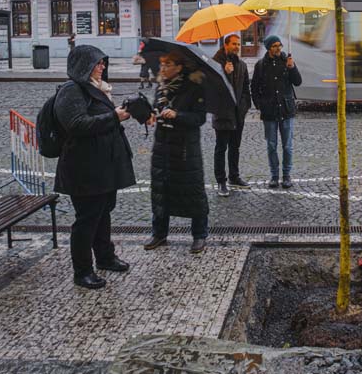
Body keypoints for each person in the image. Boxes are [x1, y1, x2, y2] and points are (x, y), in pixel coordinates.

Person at [53, 45, 136, 289]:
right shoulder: (72, 90)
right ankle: (82, 271)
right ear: (84, 66)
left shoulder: (97, 88)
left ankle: (105, 257)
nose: (103, 67)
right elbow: (76, 125)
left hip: (103, 165)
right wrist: (114, 117)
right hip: (84, 168)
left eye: (103, 63)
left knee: (103, 213)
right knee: (87, 219)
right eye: (98, 63)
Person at [144, 50, 210, 254]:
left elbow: (199, 119)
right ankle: (159, 233)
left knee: (193, 192)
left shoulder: (193, 87)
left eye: (168, 64)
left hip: (185, 150)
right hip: (162, 148)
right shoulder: (161, 87)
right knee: (161, 191)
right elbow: (157, 109)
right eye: (162, 64)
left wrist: (177, 115)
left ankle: (199, 235)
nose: (162, 68)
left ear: (179, 67)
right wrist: (152, 115)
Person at [251, 35, 302, 188]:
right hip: (269, 112)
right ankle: (274, 175)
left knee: (287, 145)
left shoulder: (287, 62)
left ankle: (286, 175)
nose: (278, 48)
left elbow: (298, 82)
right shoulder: (260, 65)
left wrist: (292, 68)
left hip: (286, 110)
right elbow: (254, 88)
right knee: (272, 145)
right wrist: (260, 105)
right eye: (274, 46)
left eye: (279, 45)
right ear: (268, 48)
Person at [212, 33, 252, 196]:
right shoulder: (215, 64)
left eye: (238, 44)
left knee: (235, 147)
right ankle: (221, 181)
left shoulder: (241, 65)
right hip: (222, 113)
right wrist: (225, 73)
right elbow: (212, 89)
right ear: (225, 45)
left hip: (237, 114)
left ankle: (234, 176)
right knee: (221, 148)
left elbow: (245, 88)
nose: (237, 47)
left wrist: (244, 107)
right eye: (234, 44)